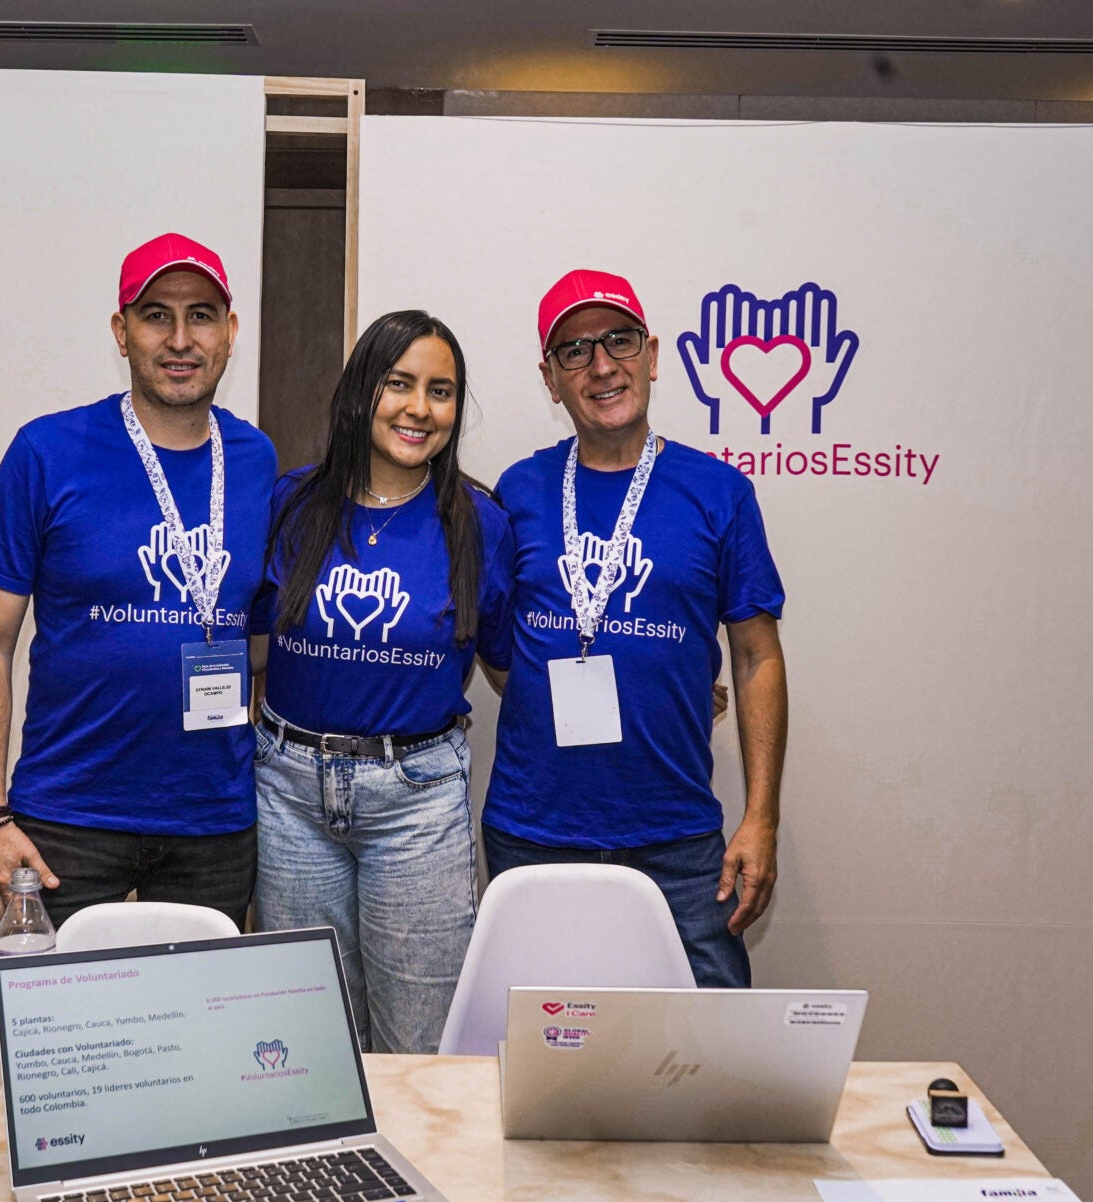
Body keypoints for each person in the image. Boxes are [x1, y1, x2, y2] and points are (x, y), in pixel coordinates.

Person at [0, 233, 277, 929]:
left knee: (200, 1031)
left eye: (202, 315)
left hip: (213, 821)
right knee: (51, 1031)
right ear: (121, 331)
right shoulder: (47, 451)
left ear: (230, 331)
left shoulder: (256, 459)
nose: (181, 338)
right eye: (156, 314)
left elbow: (256, 636)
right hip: (65, 817)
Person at [480, 269, 788, 987]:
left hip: (676, 835)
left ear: (652, 355)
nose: (601, 366)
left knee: (711, 1064)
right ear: (550, 380)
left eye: (618, 341)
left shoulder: (719, 492)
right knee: (548, 1063)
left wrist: (761, 817)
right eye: (574, 351)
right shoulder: (518, 491)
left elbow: (756, 658)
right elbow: (499, 648)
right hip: (535, 833)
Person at [253, 310, 513, 1052]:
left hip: (417, 802)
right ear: (362, 391)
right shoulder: (294, 505)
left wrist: (658, 683)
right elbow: (257, 647)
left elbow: (507, 662)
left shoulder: (480, 521)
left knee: (422, 1045)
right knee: (309, 1042)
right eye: (399, 384)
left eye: (441, 391)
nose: (419, 408)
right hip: (289, 793)